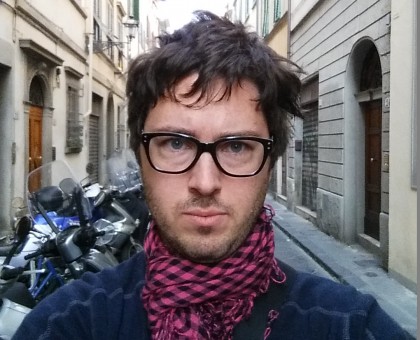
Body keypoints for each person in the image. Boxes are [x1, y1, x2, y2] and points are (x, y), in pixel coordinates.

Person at [13, 11, 408, 340]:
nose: (205, 182)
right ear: (140, 155)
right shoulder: (68, 324)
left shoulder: (350, 326)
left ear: (270, 162)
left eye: (236, 147)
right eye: (176, 144)